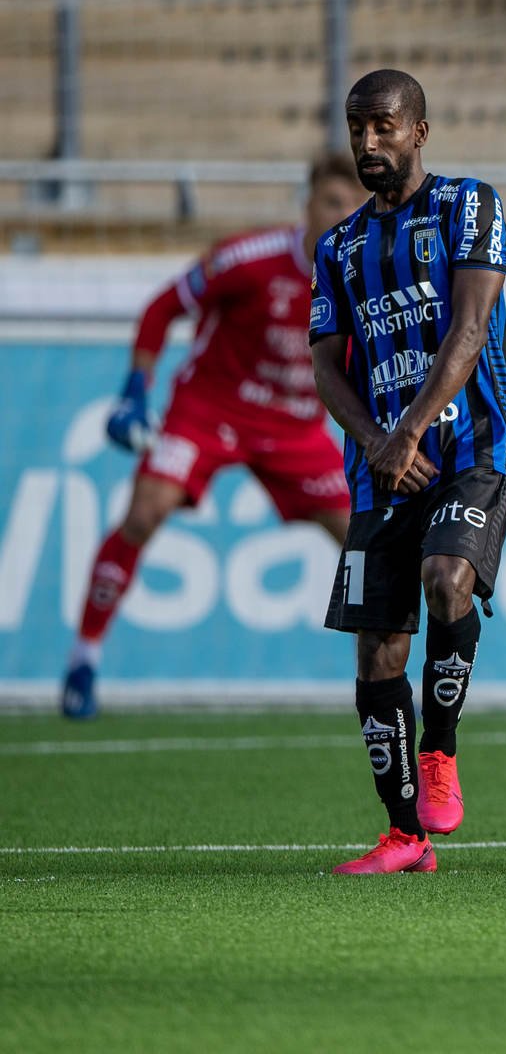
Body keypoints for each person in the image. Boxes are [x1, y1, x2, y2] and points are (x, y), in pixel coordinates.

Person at [59, 153, 363, 720]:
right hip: (211, 409)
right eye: (331, 202)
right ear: (307, 205)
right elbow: (162, 308)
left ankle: (377, 683)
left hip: (294, 426)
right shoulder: (249, 259)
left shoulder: (366, 279)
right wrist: (134, 391)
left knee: (364, 542)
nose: (342, 214)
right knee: (145, 512)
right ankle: (84, 658)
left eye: (354, 206)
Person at [309, 69, 506, 876]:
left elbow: (469, 325)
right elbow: (327, 364)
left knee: (446, 577)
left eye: (385, 126)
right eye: (358, 127)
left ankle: (442, 752)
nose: (369, 142)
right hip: (384, 465)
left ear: (420, 132)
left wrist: (412, 427)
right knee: (378, 653)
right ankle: (406, 835)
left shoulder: (471, 206)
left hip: (472, 447)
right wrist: (376, 442)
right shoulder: (339, 247)